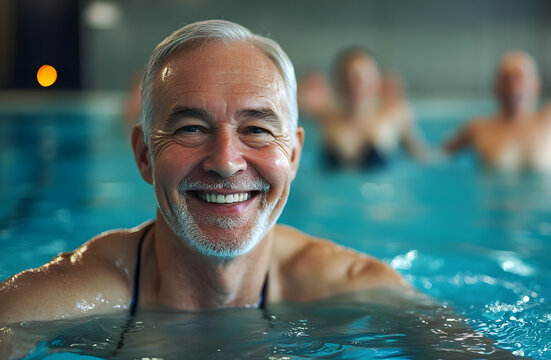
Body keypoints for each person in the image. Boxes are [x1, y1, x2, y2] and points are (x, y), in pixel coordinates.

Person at [0, 20, 410, 326]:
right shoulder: (56, 302)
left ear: (295, 155)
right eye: (191, 129)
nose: (226, 161)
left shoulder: (358, 290)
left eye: (257, 129)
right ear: (144, 154)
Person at [298, 48, 426, 169]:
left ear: (376, 81)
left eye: (361, 79)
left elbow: (421, 155)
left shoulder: (395, 115)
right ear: (338, 83)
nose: (355, 86)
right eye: (348, 80)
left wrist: (444, 152)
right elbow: (290, 109)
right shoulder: (325, 116)